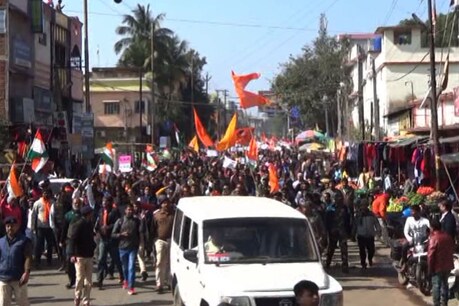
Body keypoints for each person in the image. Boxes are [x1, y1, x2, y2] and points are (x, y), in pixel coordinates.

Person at [0, 216, 32, 306]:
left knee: (23, 303)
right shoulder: (1, 242)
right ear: (5, 227)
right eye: (8, 226)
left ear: (17, 226)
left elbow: (28, 257)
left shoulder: (24, 241)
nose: (10, 228)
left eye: (12, 226)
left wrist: (27, 272)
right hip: (3, 278)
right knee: (3, 303)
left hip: (19, 278)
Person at [67, 205, 96, 306]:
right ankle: (77, 296)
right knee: (79, 278)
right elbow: (72, 239)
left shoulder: (89, 224)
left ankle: (86, 300)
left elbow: (91, 238)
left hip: (89, 255)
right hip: (79, 256)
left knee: (88, 280)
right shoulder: (79, 224)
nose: (92, 215)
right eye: (91, 213)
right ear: (87, 214)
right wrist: (72, 254)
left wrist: (93, 246)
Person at [112, 204, 142, 295]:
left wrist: (141, 244)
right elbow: (113, 234)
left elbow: (140, 232)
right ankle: (126, 280)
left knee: (131, 267)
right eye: (128, 209)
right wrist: (121, 235)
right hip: (122, 248)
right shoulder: (120, 221)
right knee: (125, 268)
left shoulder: (137, 221)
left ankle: (131, 287)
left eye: (131, 210)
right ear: (125, 211)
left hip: (133, 247)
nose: (130, 211)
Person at [94, 195, 123, 289]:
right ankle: (99, 280)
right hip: (103, 239)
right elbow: (99, 222)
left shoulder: (115, 212)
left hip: (112, 239)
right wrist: (97, 229)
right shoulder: (101, 211)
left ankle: (122, 276)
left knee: (116, 259)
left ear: (110, 202)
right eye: (103, 201)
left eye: (106, 201)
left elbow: (118, 223)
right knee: (101, 259)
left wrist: (109, 227)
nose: (104, 203)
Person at [427, 219, 454, 306]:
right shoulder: (448, 236)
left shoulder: (433, 238)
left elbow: (430, 255)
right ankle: (445, 303)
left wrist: (430, 269)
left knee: (436, 286)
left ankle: (437, 304)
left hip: (437, 267)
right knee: (445, 285)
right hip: (448, 265)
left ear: (432, 228)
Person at [152, 195, 174, 294]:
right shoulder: (156, 215)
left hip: (171, 241)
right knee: (160, 261)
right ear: (160, 204)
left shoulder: (174, 214)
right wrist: (154, 240)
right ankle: (159, 284)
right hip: (160, 240)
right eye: (163, 203)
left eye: (167, 202)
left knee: (170, 262)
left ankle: (169, 282)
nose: (166, 204)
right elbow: (152, 228)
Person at [31, 189, 56, 268]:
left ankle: (49, 260)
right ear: (42, 194)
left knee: (50, 244)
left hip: (50, 227)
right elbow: (33, 215)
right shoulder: (37, 203)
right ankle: (37, 261)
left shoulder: (52, 203)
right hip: (40, 227)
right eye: (45, 193)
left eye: (47, 193)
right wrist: (33, 227)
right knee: (39, 245)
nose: (46, 195)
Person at [352, 201, 381, 269]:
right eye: (362, 205)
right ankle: (363, 263)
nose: (363, 207)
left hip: (370, 235)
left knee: (371, 250)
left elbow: (376, 223)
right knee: (362, 250)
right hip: (361, 235)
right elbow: (355, 225)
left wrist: (378, 230)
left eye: (365, 205)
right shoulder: (358, 215)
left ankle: (370, 259)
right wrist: (353, 233)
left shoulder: (371, 214)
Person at [400, 205, 430, 269]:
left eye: (414, 212)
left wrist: (429, 238)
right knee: (404, 247)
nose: (412, 213)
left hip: (423, 241)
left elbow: (431, 229)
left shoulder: (425, 221)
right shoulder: (409, 219)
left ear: (419, 212)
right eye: (411, 212)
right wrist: (410, 239)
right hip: (412, 240)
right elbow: (406, 231)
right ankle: (405, 263)